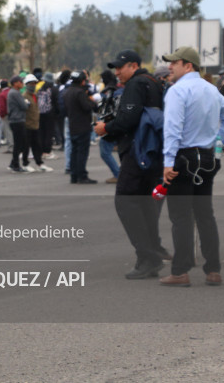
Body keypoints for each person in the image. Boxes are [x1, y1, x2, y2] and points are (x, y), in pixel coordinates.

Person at [159, 47, 224, 287]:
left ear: (188, 65)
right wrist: (218, 138)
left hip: (183, 158)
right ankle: (213, 270)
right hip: (208, 156)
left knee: (181, 217)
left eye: (174, 63)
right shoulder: (211, 89)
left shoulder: (177, 91)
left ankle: (180, 272)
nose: (170, 67)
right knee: (205, 215)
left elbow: (172, 128)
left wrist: (168, 162)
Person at [94, 50, 166, 279]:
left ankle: (148, 256)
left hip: (138, 152)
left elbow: (128, 118)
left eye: (120, 68)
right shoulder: (155, 82)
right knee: (146, 205)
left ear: (133, 66)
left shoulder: (136, 84)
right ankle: (151, 255)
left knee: (125, 201)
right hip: (154, 151)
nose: (117, 73)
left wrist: (106, 128)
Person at [64, 71, 97, 184]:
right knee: (82, 152)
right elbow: (87, 107)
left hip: (72, 125)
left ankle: (74, 175)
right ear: (82, 81)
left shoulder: (68, 91)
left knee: (74, 151)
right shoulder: (80, 92)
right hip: (82, 125)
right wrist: (92, 102)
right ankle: (82, 175)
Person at [23, 74, 53, 172]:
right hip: (27, 125)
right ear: (26, 85)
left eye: (34, 83)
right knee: (26, 146)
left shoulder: (35, 96)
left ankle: (39, 163)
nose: (33, 85)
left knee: (37, 146)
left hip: (35, 125)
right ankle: (25, 164)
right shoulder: (24, 96)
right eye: (30, 84)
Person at [98, 69, 121, 184]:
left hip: (109, 124)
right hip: (117, 124)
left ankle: (118, 174)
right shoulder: (118, 88)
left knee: (105, 151)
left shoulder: (108, 91)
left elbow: (104, 109)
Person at [6, 76, 30, 173]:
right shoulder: (15, 93)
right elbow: (24, 106)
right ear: (15, 83)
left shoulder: (12, 92)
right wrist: (27, 103)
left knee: (20, 143)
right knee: (20, 144)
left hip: (15, 120)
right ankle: (16, 165)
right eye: (21, 82)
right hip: (17, 120)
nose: (22, 83)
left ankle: (13, 163)